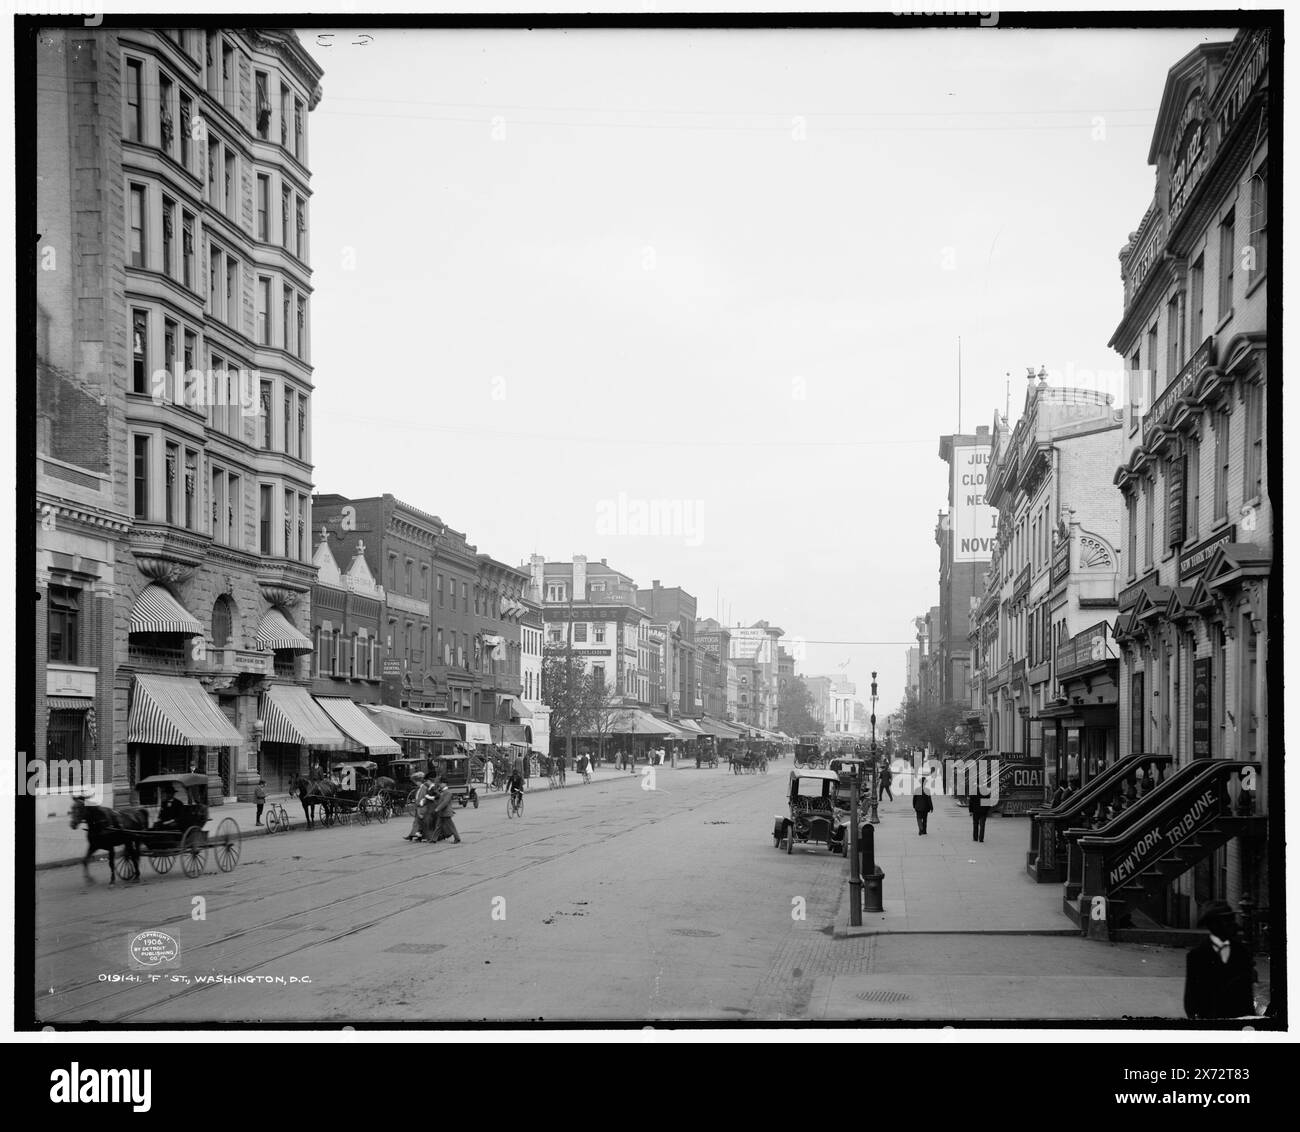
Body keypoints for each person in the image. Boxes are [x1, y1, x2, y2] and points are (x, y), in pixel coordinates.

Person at [1184, 901, 1257, 1020]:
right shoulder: (1196, 956)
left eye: (1231, 919)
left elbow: (1247, 995)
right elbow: (1191, 997)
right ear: (1213, 925)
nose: (1232, 924)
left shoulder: (1242, 952)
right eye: (1226, 920)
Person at [431, 775, 462, 844]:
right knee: (438, 826)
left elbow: (445, 803)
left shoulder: (448, 792)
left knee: (451, 827)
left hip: (446, 812)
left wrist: (437, 809)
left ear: (444, 783)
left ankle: (457, 838)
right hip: (442, 812)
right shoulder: (442, 792)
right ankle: (434, 839)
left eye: (441, 783)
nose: (440, 785)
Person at [404, 773, 431, 841]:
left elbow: (425, 797)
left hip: (421, 807)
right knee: (416, 822)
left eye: (416, 782)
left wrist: (421, 803)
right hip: (418, 807)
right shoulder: (419, 788)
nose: (416, 783)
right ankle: (412, 835)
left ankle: (416, 836)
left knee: (420, 822)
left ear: (419, 782)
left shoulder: (424, 788)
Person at [913, 771, 933, 835]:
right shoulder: (927, 790)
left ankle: (920, 829)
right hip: (925, 808)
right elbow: (929, 800)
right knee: (925, 819)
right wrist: (931, 807)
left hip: (918, 807)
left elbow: (914, 799)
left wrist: (914, 806)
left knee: (919, 819)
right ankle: (924, 831)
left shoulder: (916, 789)